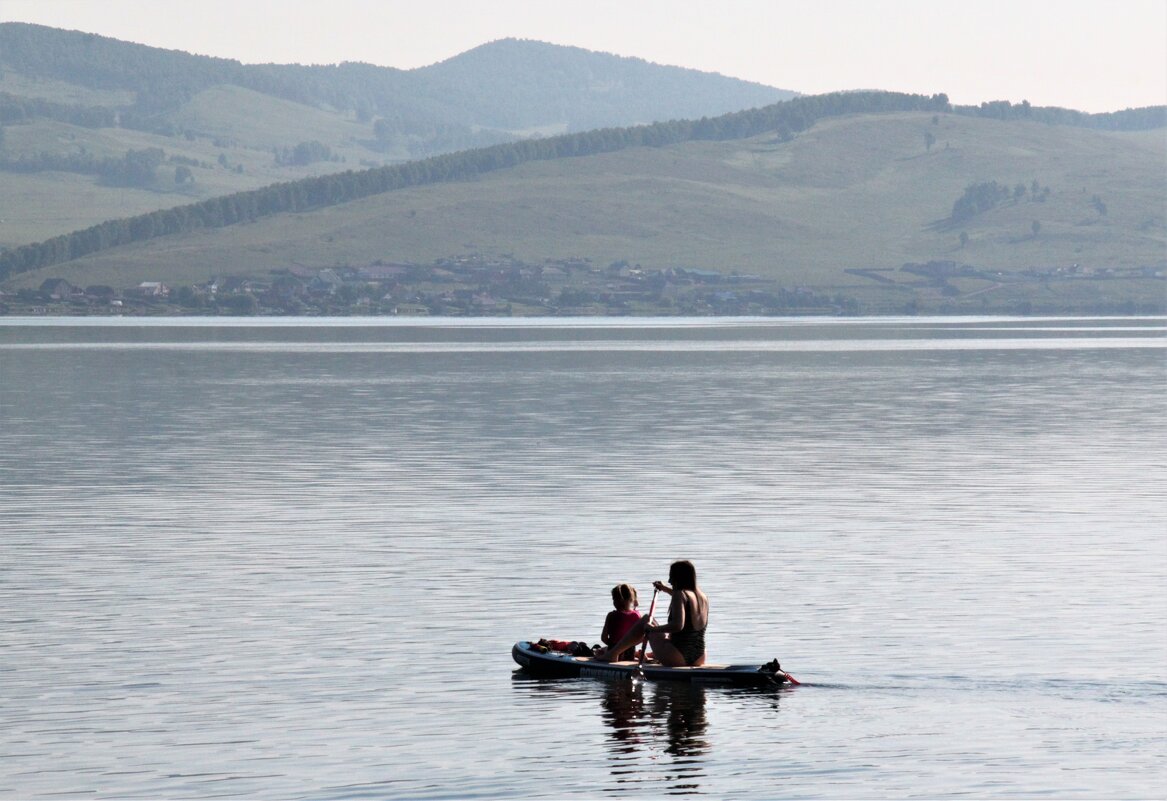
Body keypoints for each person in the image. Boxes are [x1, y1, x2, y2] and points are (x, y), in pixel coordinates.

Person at [596, 560, 708, 667]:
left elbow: (677, 626)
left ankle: (612, 654)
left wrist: (652, 629)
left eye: (671, 577)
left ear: (679, 577)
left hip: (678, 656)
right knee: (655, 623)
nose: (669, 581)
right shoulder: (702, 597)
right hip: (700, 657)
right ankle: (643, 654)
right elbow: (682, 599)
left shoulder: (680, 594)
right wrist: (664, 589)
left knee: (646, 619)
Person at [601, 583, 642, 661]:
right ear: (631, 599)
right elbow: (642, 638)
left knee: (598, 652)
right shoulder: (637, 615)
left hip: (613, 651)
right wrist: (630, 645)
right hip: (630, 652)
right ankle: (637, 654)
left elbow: (604, 638)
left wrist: (614, 646)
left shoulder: (611, 615)